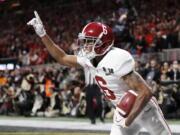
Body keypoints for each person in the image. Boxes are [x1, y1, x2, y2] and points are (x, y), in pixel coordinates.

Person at [27, 11, 171, 135]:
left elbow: (145, 93)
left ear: (103, 43)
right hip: (122, 111)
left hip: (145, 110)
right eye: (85, 41)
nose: (85, 46)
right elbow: (62, 57)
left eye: (90, 41)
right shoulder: (88, 60)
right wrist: (42, 34)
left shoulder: (117, 59)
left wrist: (128, 121)